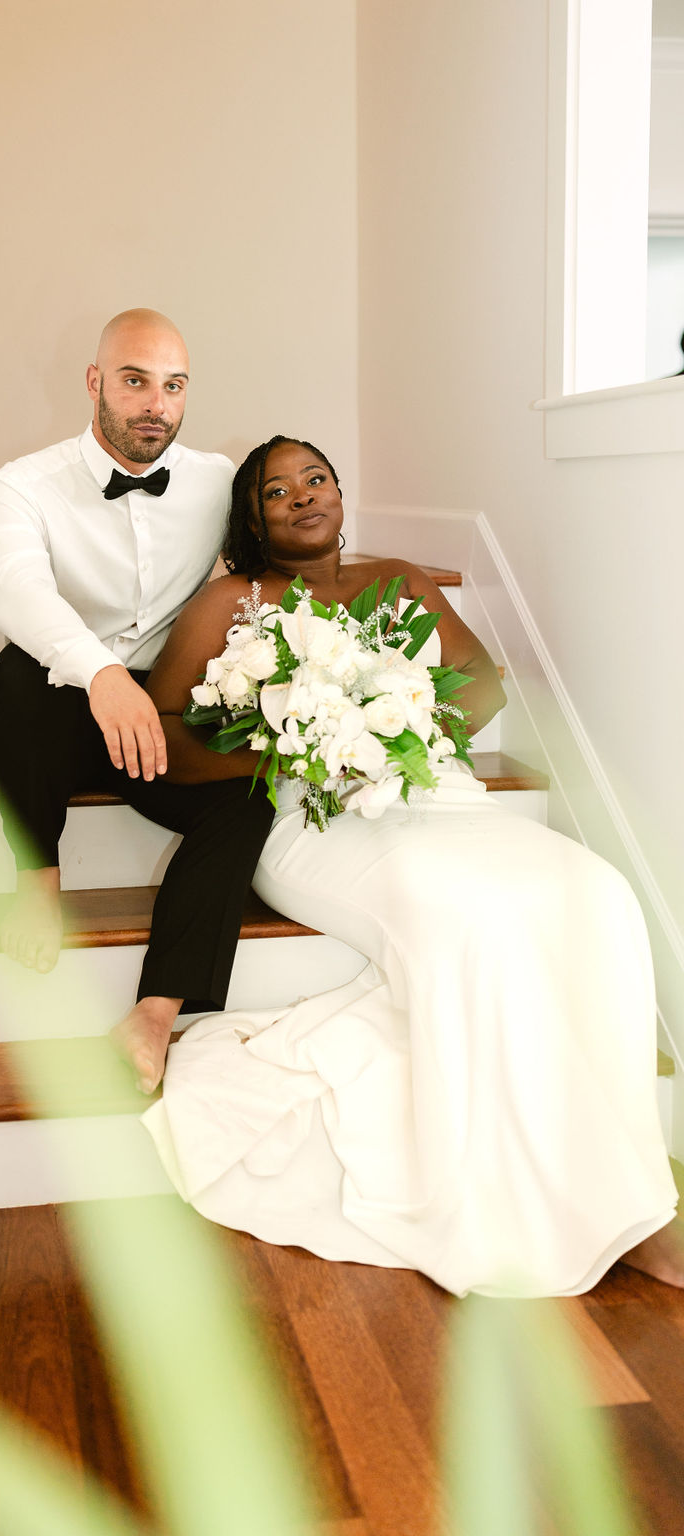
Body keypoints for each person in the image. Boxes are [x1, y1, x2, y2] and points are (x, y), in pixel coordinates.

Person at [140, 433, 683, 1297]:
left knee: (597, 893)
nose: (305, 497)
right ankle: (572, 1210)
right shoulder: (230, 603)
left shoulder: (401, 578)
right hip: (312, 819)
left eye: (316, 479)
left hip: (435, 793)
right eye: (279, 492)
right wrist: (290, 747)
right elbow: (161, 730)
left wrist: (405, 725)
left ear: (342, 493)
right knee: (466, 920)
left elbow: (481, 680)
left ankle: (632, 1192)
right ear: (252, 519)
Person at [0, 311, 274, 1090]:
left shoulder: (216, 480)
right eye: (135, 381)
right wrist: (99, 673)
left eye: (173, 387)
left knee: (250, 792)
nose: (155, 405)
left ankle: (155, 1015)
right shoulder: (19, 486)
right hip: (70, 697)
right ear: (95, 382)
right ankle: (36, 880)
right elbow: (14, 589)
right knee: (15, 681)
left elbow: (289, 538)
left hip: (170, 712)